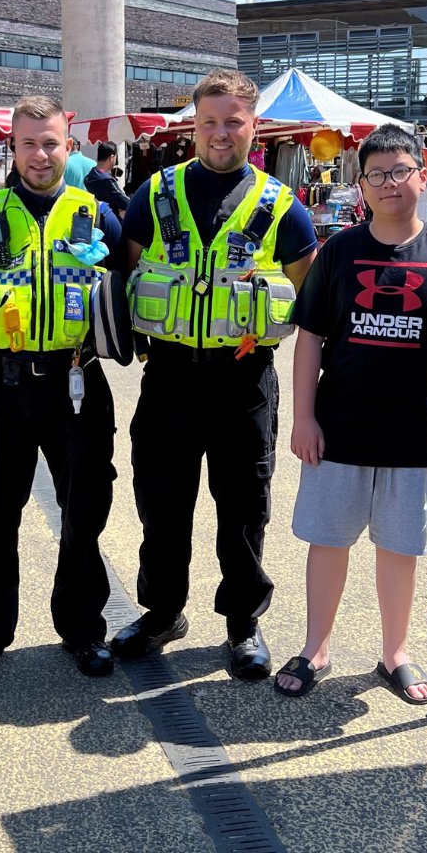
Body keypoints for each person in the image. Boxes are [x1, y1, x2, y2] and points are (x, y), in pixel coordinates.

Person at [274, 123, 427, 704]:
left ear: (423, 176)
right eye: (377, 174)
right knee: (329, 539)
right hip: (339, 424)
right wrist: (303, 418)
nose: (390, 183)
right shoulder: (341, 251)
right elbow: (310, 338)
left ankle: (394, 651)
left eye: (401, 171)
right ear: (361, 185)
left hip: (416, 426)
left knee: (402, 544)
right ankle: (316, 646)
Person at [113, 70, 317, 680]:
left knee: (244, 505)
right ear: (193, 126)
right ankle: (162, 612)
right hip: (169, 377)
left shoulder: (282, 206)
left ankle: (242, 622)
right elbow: (124, 281)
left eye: (233, 122)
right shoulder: (153, 195)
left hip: (244, 382)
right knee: (161, 502)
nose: (220, 133)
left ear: (254, 126)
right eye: (210, 122)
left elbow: (314, 301)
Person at [0, 95, 123, 683]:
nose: (40, 154)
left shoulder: (94, 213)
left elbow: (124, 279)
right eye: (28, 143)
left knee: (85, 512)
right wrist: (3, 343)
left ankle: (82, 629)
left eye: (50, 142)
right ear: (13, 147)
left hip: (77, 385)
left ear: (67, 146)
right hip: (5, 386)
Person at [83, 140, 130, 217]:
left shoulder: (90, 176)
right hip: (109, 219)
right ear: (111, 158)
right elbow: (126, 202)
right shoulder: (107, 181)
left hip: (95, 216)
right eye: (115, 157)